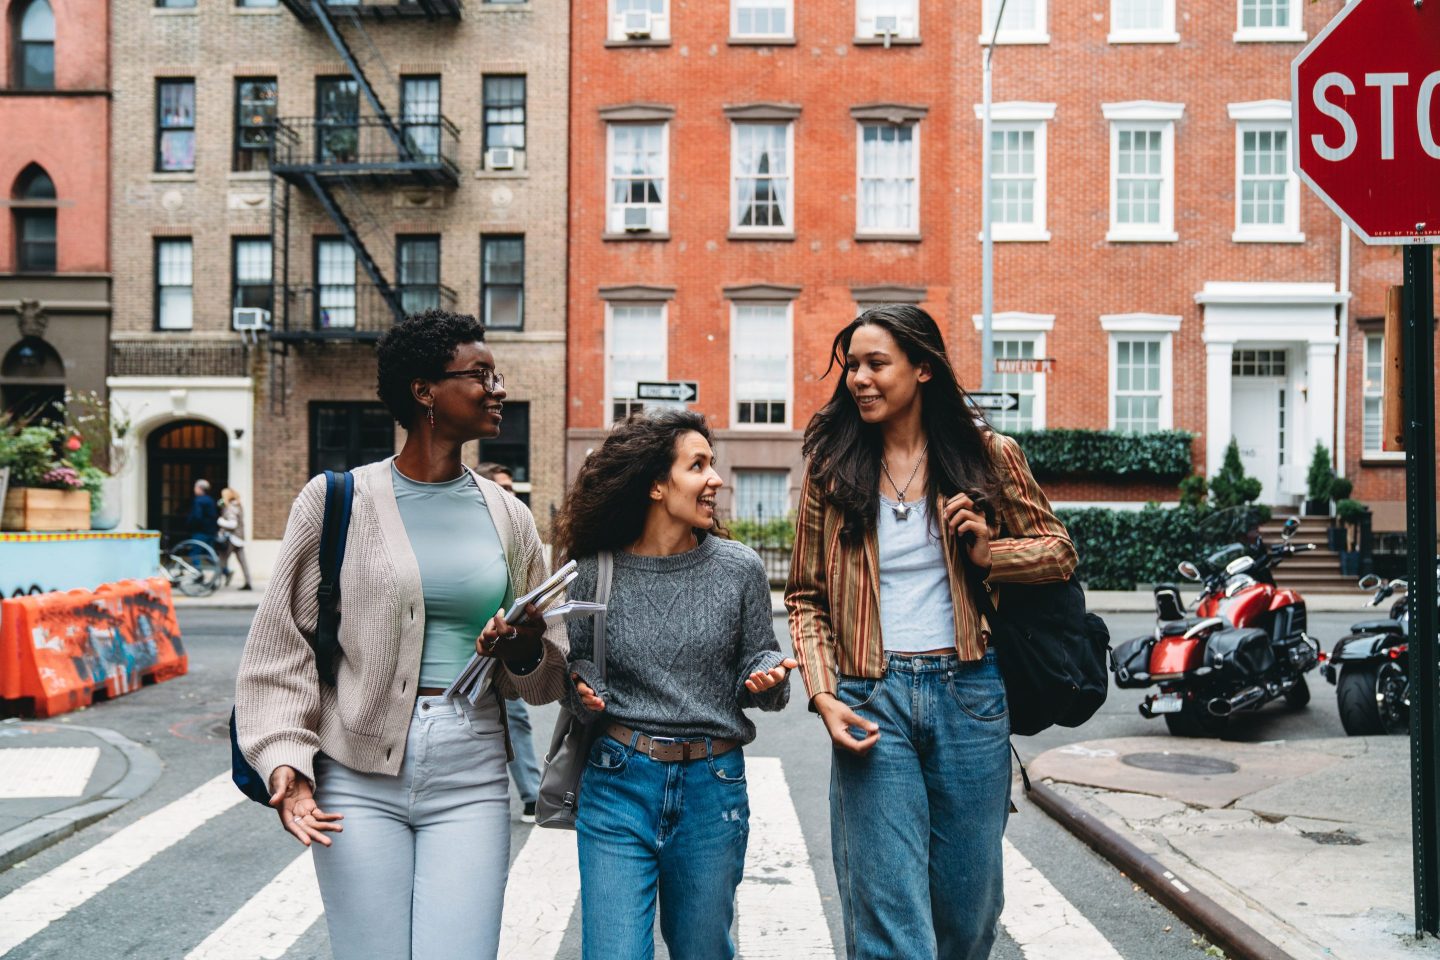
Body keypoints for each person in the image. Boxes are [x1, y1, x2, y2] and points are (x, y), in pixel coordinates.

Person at [235, 309, 570, 960]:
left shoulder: (510, 517)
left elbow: (546, 674)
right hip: (356, 774)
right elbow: (283, 650)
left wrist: (524, 644)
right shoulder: (337, 502)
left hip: (471, 769)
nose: (497, 388)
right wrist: (286, 761)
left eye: (495, 375)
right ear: (424, 392)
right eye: (479, 375)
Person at [785, 304, 1077, 960]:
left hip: (970, 698)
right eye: (852, 366)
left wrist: (989, 555)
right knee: (890, 922)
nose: (859, 378)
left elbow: (1059, 551)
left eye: (875, 364)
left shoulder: (986, 456)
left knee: (968, 917)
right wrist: (825, 695)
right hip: (870, 699)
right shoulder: (832, 470)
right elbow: (805, 596)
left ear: (922, 369)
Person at [553, 408, 796, 960]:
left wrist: (765, 677)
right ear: (657, 485)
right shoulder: (594, 569)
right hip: (618, 781)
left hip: (713, 786)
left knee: (702, 950)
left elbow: (761, 660)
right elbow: (579, 667)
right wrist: (583, 686)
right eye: (699, 466)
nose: (716, 479)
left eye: (713, 465)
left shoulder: (739, 568)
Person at [475, 460, 542, 823]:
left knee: (516, 717)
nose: (510, 496)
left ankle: (532, 795)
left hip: (506, 642)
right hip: (466, 649)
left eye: (512, 488)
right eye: (502, 489)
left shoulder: (516, 534)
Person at [216, 487, 253, 591]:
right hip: (239, 538)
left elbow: (233, 524)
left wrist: (220, 521)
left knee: (222, 560)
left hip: (232, 538)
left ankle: (214, 582)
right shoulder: (238, 505)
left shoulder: (231, 507)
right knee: (243, 561)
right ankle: (248, 582)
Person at [187, 478, 218, 551]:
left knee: (195, 553)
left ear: (200, 488)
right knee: (210, 552)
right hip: (211, 531)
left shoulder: (198, 500)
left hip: (200, 532)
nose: (194, 489)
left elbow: (197, 516)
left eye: (195, 487)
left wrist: (190, 525)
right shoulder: (210, 500)